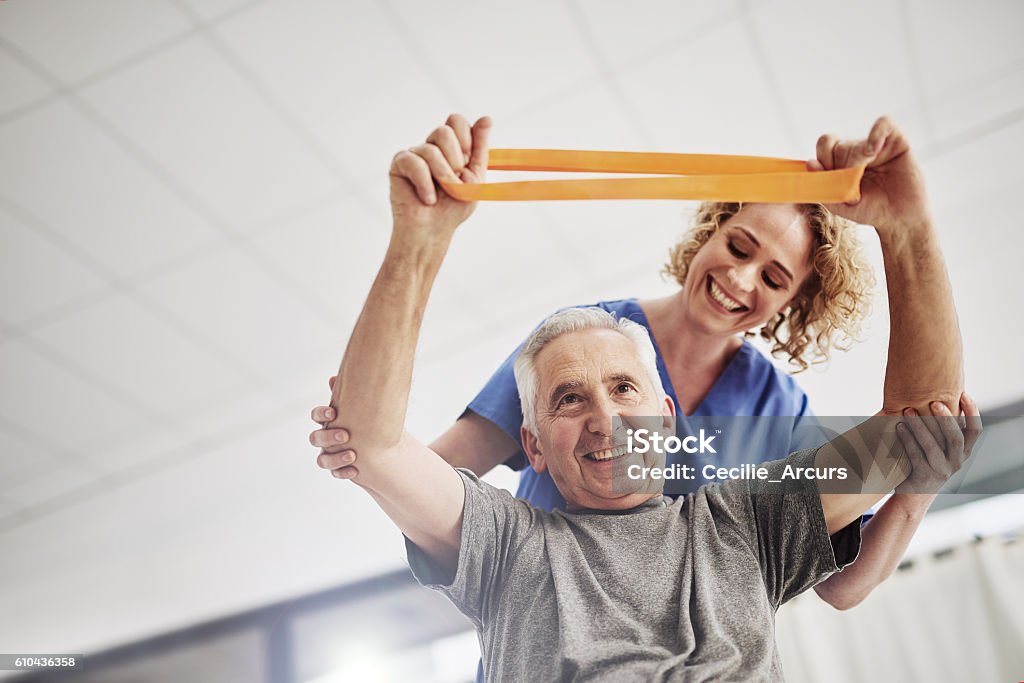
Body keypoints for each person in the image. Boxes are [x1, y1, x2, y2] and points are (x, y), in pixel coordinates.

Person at [314, 115, 978, 680]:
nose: (606, 418)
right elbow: (388, 448)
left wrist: (907, 228)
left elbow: (915, 432)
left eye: (625, 387)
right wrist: (418, 246)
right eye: (570, 399)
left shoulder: (749, 518)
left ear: (666, 415)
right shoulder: (512, 535)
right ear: (532, 443)